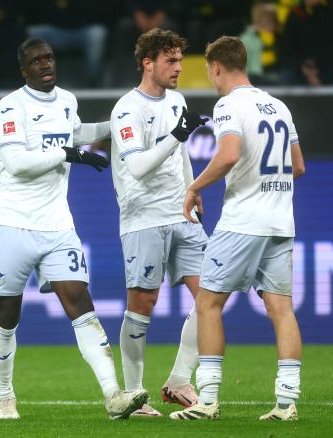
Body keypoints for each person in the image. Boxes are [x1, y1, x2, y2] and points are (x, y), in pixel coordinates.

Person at [0, 37, 148, 420]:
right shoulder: (11, 106)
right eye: (37, 60)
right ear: (24, 69)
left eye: (50, 58)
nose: (46, 64)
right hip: (12, 222)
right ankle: (4, 395)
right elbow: (16, 162)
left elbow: (75, 134)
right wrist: (65, 154)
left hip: (58, 224)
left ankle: (114, 395)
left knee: (80, 302)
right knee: (7, 315)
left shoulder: (67, 101)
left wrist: (119, 123)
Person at [170, 36, 306, 421]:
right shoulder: (278, 107)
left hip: (243, 222)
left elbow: (229, 154)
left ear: (216, 67)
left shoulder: (228, 105)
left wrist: (195, 186)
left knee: (208, 303)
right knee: (281, 309)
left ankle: (208, 399)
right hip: (281, 221)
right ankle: (286, 402)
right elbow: (298, 167)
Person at [109, 28, 209, 417]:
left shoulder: (178, 99)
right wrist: (175, 134)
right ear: (147, 62)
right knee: (142, 304)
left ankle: (180, 380)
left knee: (212, 297)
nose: (178, 68)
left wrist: (193, 189)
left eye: (180, 60)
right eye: (171, 60)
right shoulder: (126, 109)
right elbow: (137, 167)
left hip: (180, 213)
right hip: (143, 217)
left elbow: (180, 154)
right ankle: (134, 394)